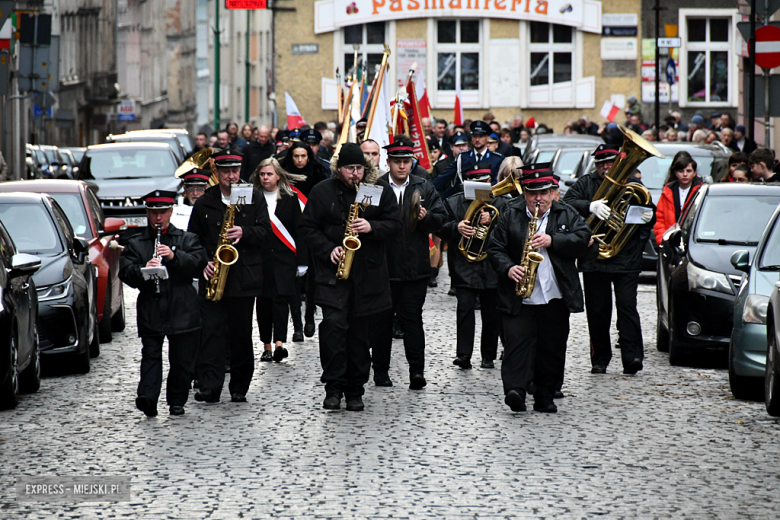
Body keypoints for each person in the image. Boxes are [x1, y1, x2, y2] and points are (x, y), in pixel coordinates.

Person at [298, 143, 402, 411]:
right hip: (333, 277)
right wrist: (328, 249)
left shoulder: (378, 190)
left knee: (359, 337)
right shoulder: (322, 191)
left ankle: (355, 390)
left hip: (368, 277)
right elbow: (307, 228)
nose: (355, 174)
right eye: (349, 169)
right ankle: (333, 388)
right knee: (332, 331)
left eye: (359, 168)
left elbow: (395, 224)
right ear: (338, 169)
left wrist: (372, 226)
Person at [487, 165, 590, 413]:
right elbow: (495, 248)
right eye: (533, 193)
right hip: (519, 296)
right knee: (516, 344)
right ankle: (515, 391)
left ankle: (545, 395)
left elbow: (583, 237)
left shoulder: (566, 212)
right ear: (524, 193)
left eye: (543, 193)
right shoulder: (510, 214)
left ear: (552, 193)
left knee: (551, 347)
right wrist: (509, 268)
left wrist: (554, 241)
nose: (538, 199)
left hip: (554, 296)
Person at [563, 143, 656, 375]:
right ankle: (600, 359)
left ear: (617, 162)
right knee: (598, 311)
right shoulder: (585, 183)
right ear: (595, 165)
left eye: (610, 162)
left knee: (627, 308)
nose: (606, 167)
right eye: (601, 163)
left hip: (626, 258)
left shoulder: (633, 184)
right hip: (595, 259)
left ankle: (632, 357)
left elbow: (648, 215)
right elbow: (566, 205)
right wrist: (590, 206)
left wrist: (636, 244)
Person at [188, 149, 271, 404]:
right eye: (226, 172)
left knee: (240, 334)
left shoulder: (253, 197)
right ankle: (211, 387)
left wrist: (244, 232)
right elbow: (193, 240)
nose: (232, 177)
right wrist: (203, 264)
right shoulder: (205, 202)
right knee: (212, 333)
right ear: (216, 172)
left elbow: (265, 232)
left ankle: (239, 386)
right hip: (213, 278)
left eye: (235, 171)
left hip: (243, 278)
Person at [119, 190, 208, 417]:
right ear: (148, 214)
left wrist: (174, 257)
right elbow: (126, 272)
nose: (158, 218)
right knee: (151, 354)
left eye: (163, 213)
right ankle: (147, 397)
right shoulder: (137, 242)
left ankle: (177, 400)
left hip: (182, 306)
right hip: (152, 305)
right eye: (154, 213)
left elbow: (198, 264)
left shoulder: (186, 238)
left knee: (181, 358)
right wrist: (144, 271)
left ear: (170, 212)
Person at [373, 138, 447, 389]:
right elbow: (364, 222)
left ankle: (417, 372)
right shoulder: (376, 187)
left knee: (412, 319)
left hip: (415, 267)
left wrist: (427, 218)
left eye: (406, 162)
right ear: (388, 162)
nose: (402, 166)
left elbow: (441, 220)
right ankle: (380, 371)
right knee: (382, 322)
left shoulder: (424, 187)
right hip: (383, 268)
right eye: (397, 162)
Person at [438, 163, 511, 370]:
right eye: (476, 183)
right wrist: (456, 226)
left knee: (491, 313)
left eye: (485, 182)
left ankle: (488, 355)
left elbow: (512, 231)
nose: (482, 187)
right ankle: (463, 355)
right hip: (463, 266)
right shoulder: (453, 203)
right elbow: (439, 226)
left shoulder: (502, 203)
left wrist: (494, 222)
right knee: (464, 309)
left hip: (492, 266)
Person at [253, 157, 308, 361]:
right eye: (262, 174)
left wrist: (302, 261)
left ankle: (279, 344)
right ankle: (266, 345)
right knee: (264, 303)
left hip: (285, 259)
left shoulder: (290, 198)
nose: (266, 178)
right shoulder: (253, 197)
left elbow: (299, 230)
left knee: (281, 301)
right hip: (261, 260)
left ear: (278, 175)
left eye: (269, 174)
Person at [433, 121, 504, 197]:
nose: (477, 139)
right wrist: (427, 190)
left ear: (488, 138)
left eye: (480, 136)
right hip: (465, 201)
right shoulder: (463, 157)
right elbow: (444, 176)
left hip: (489, 200)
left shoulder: (497, 159)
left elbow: (496, 184)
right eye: (474, 136)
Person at [653, 152, 703, 245]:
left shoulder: (701, 190)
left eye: (688, 171)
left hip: (693, 243)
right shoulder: (668, 191)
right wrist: (663, 240)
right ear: (675, 173)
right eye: (681, 171)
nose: (685, 174)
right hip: (670, 243)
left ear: (694, 173)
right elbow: (660, 219)